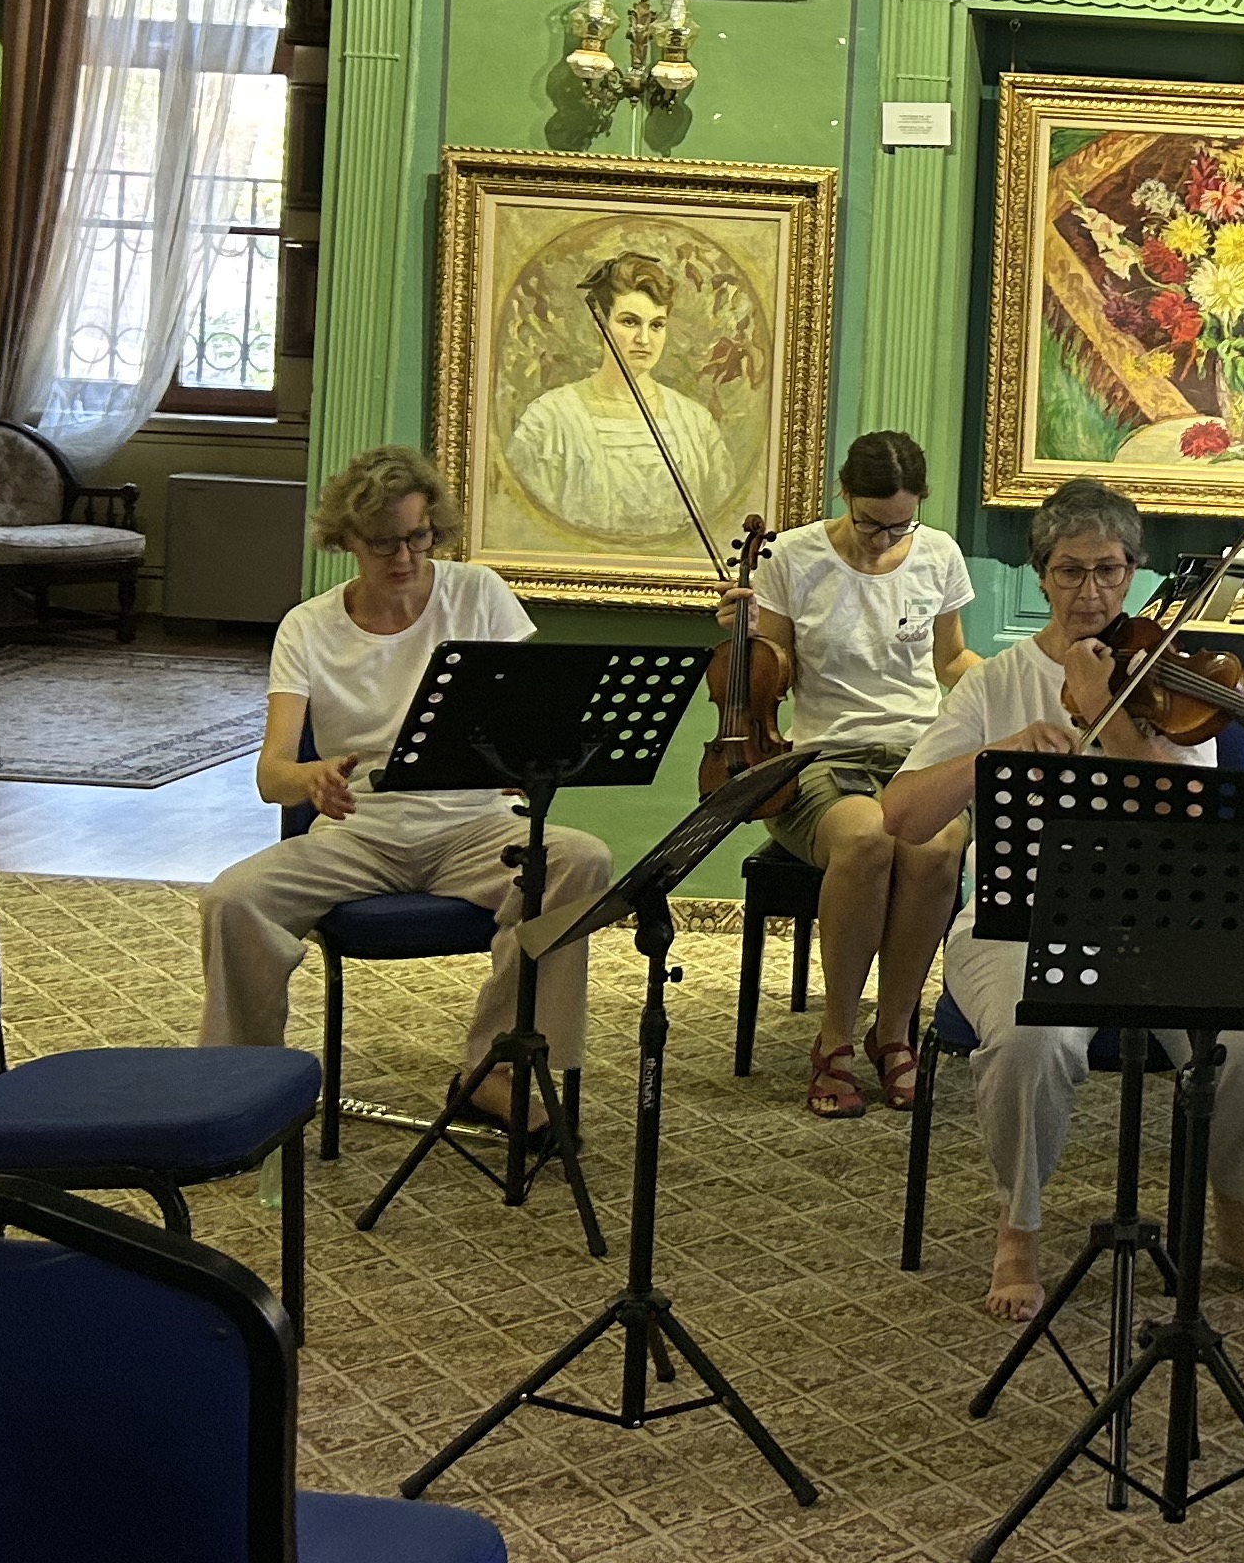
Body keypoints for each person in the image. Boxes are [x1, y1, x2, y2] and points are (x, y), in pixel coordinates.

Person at [879, 480, 1244, 1326]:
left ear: (1133, 573)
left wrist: (1103, 718)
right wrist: (997, 755)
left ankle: (1237, 1217)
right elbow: (902, 816)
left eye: (1110, 570)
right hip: (1019, 922)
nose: (1091, 592)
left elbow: (1193, 816)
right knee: (1032, 1038)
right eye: (1070, 571)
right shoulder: (996, 683)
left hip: (1164, 921)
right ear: (1042, 575)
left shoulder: (1170, 685)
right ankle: (1019, 1227)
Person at [200, 444, 614, 1135]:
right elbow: (272, 775)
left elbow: (524, 720)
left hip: (476, 826)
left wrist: (525, 756)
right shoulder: (307, 626)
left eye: (418, 538)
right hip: (360, 833)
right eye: (384, 543)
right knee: (231, 901)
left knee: (580, 859)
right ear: (347, 540)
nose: (405, 557)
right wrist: (310, 777)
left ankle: (496, 1072)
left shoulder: (477, 594)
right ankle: (239, 1085)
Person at [742, 428, 975, 1118]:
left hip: (916, 749)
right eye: (871, 523)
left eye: (900, 524)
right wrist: (745, 636)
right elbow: (774, 673)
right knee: (868, 839)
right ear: (843, 494)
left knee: (938, 846)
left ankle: (894, 1032)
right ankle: (836, 1038)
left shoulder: (939, 554)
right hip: (823, 753)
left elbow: (950, 661)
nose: (883, 539)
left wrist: (1021, 685)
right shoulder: (791, 557)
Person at [505, 251, 747, 547]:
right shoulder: (548, 419)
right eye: (630, 322)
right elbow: (526, 527)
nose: (644, 339)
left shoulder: (696, 422)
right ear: (600, 324)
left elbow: (722, 524)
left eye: (656, 325)